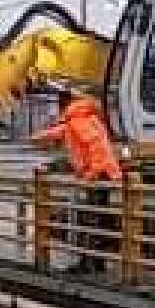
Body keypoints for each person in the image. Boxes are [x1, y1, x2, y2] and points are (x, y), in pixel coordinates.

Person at [32, 85, 123, 274]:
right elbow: (62, 132)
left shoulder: (78, 120)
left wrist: (91, 174)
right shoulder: (81, 118)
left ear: (63, 104)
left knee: (92, 220)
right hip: (101, 174)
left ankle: (89, 264)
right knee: (97, 219)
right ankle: (95, 262)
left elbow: (95, 148)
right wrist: (38, 138)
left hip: (98, 175)